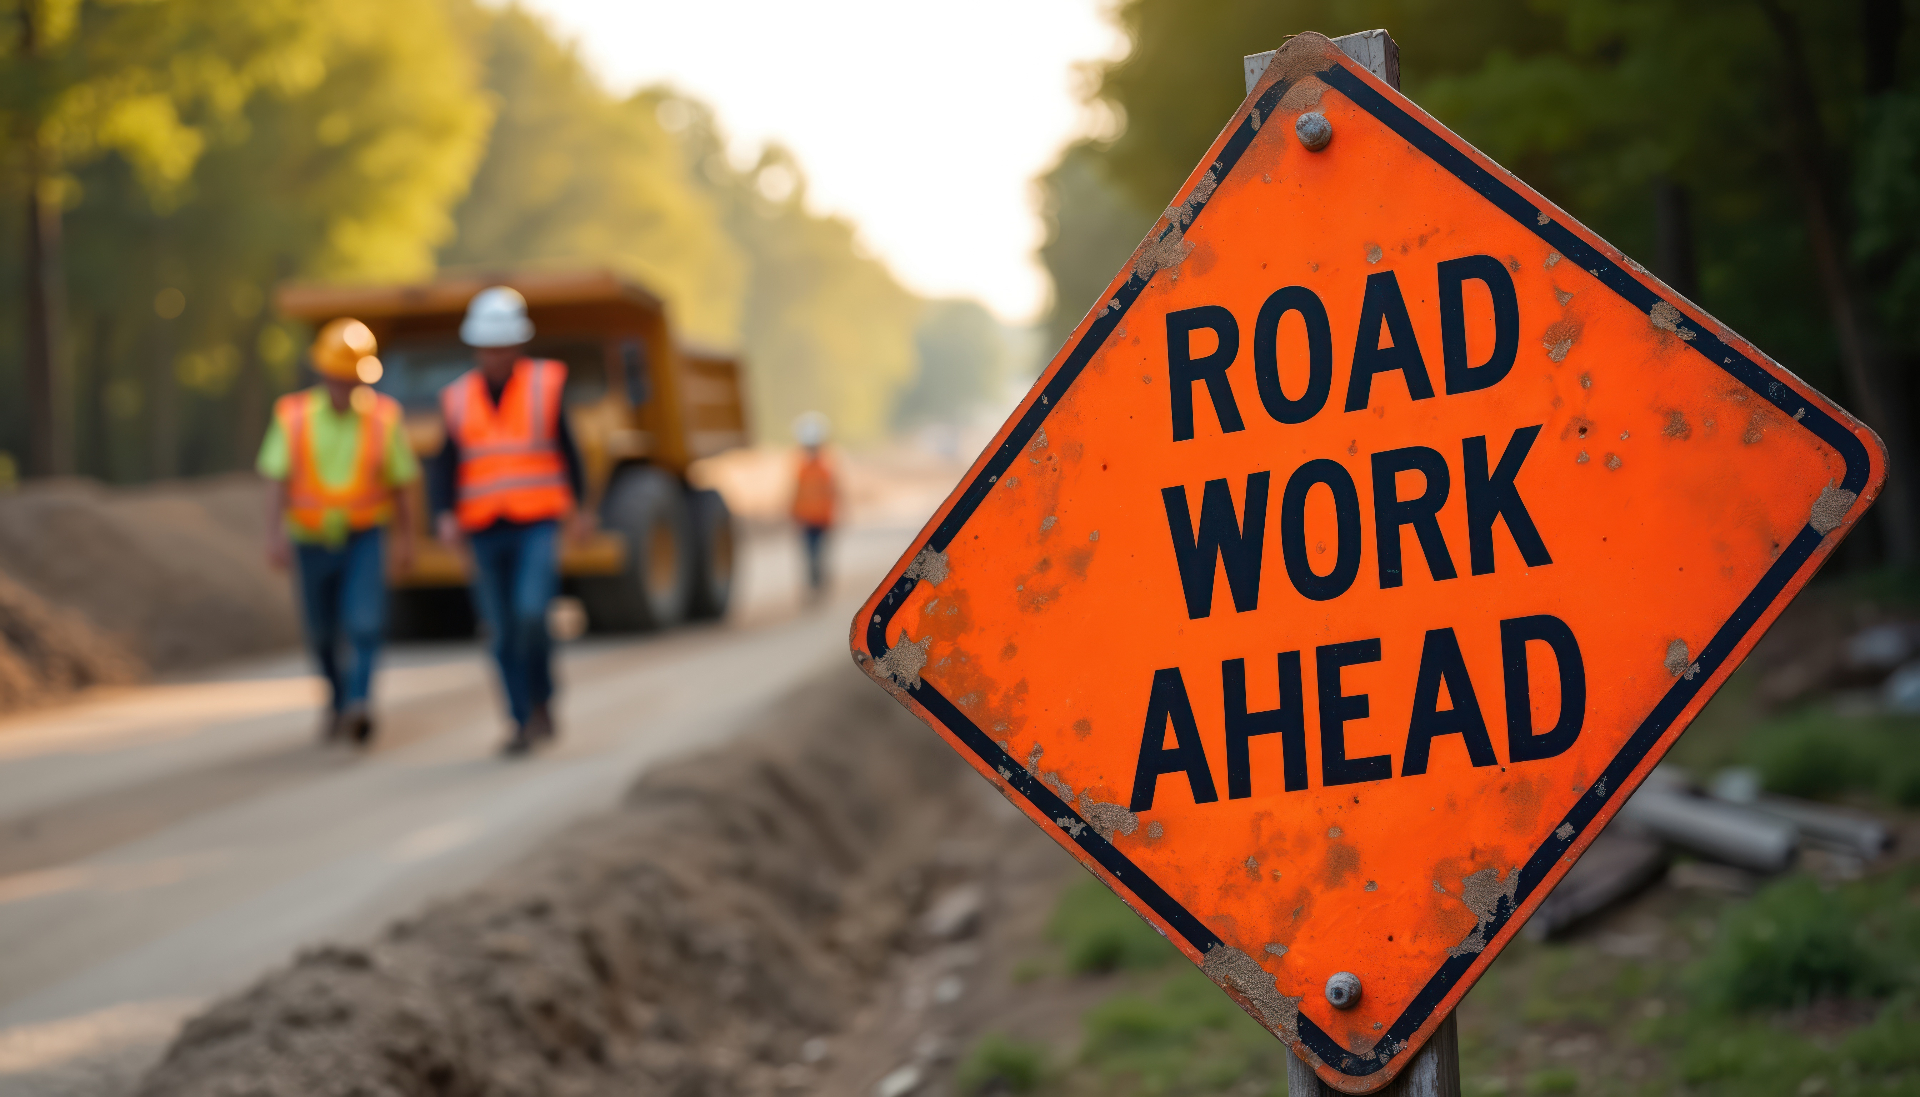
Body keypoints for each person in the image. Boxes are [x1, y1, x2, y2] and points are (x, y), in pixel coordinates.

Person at [428, 286, 588, 756]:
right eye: (487, 347)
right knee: (500, 629)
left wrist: (581, 510)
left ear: (518, 345)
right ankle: (522, 721)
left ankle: (543, 697)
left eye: (502, 346)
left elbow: (569, 451)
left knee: (531, 613)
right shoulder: (457, 398)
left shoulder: (545, 385)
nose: (494, 356)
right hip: (483, 529)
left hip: (537, 523)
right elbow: (445, 464)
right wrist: (443, 514)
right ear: (476, 348)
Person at [259, 318, 417, 745]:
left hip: (364, 536)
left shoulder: (384, 418)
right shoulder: (292, 416)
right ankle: (337, 699)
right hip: (310, 541)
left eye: (351, 377)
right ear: (324, 373)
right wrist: (273, 534)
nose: (344, 384)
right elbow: (277, 477)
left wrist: (406, 538)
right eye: (338, 375)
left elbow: (401, 484)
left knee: (365, 624)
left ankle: (358, 704)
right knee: (322, 632)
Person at [790, 411, 837, 598]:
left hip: (821, 520)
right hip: (806, 519)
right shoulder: (802, 468)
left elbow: (832, 493)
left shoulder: (825, 469)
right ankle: (813, 585)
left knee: (818, 555)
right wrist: (793, 512)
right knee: (809, 556)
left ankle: (819, 584)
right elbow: (796, 492)